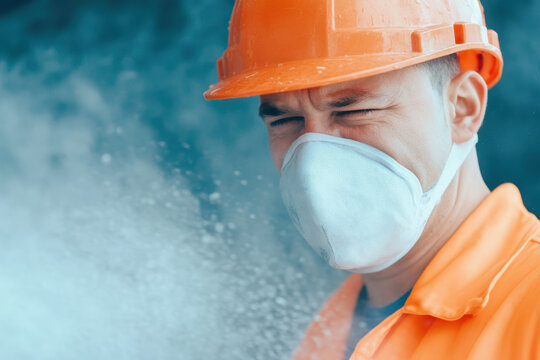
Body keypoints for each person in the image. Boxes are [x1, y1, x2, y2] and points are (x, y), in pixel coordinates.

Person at [204, 0, 540, 359]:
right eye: (283, 121)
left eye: (353, 110)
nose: (314, 158)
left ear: (462, 107)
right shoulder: (328, 330)